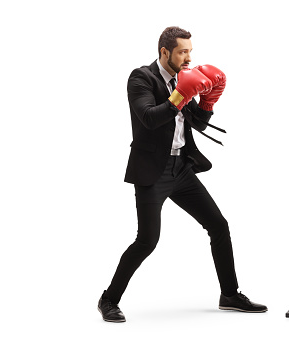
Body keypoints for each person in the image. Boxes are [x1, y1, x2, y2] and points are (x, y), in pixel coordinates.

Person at [98, 26, 267, 322]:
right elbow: (149, 118)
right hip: (153, 172)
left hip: (182, 169)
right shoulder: (141, 78)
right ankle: (108, 299)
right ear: (165, 52)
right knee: (147, 241)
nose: (189, 58)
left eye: (190, 51)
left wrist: (208, 101)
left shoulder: (182, 78)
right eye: (182, 52)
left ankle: (229, 293)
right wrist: (179, 95)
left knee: (218, 225)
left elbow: (197, 125)